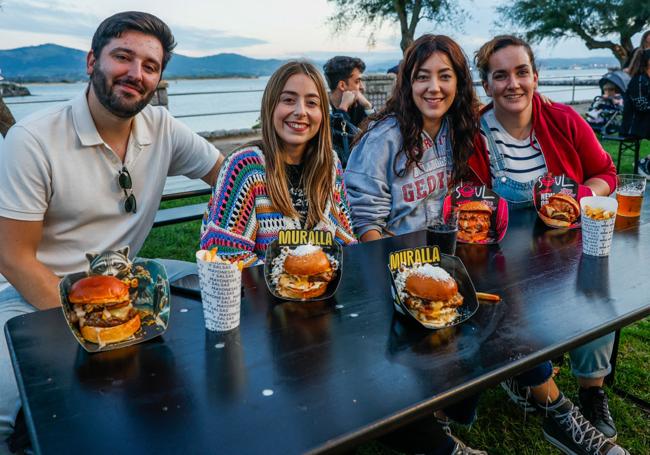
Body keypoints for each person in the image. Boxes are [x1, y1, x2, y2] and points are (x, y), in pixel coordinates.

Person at [0, 11, 224, 452]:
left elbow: (230, 177)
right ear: (91, 61)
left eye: (150, 66)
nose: (136, 74)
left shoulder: (161, 128)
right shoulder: (33, 138)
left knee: (218, 287)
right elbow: (13, 257)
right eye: (123, 57)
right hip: (23, 294)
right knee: (4, 416)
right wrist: (91, 326)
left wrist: (280, 195)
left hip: (127, 275)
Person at [472, 35, 627, 455]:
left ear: (536, 77)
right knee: (513, 306)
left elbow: (605, 173)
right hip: (503, 261)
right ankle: (527, 379)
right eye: (500, 75)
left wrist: (573, 202)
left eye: (522, 72)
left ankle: (592, 390)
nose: (513, 84)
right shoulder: (474, 134)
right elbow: (466, 201)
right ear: (486, 85)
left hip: (563, 245)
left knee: (595, 287)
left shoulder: (563, 120)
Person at [345, 34, 486, 455]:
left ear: (459, 83)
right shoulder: (384, 137)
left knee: (497, 321)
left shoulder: (454, 130)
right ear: (407, 83)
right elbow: (365, 223)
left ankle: (443, 406)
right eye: (422, 77)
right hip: (388, 273)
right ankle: (427, 422)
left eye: (445, 76)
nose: (434, 87)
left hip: (442, 264)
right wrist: (408, 272)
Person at [200, 61, 356, 264]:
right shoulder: (245, 167)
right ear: (271, 106)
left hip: (322, 289)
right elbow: (223, 255)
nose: (301, 111)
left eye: (311, 103)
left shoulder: (330, 164)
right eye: (289, 100)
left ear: (322, 114)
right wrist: (291, 275)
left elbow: (345, 238)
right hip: (260, 294)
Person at [322, 56, 375, 166]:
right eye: (357, 81)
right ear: (342, 85)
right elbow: (335, 143)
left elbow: (378, 137)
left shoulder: (359, 107)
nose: (362, 87)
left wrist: (368, 107)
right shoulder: (322, 110)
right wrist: (343, 109)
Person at [622, 49, 650, 177]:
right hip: (634, 125)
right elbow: (641, 105)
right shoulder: (639, 80)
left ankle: (645, 163)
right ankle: (643, 165)